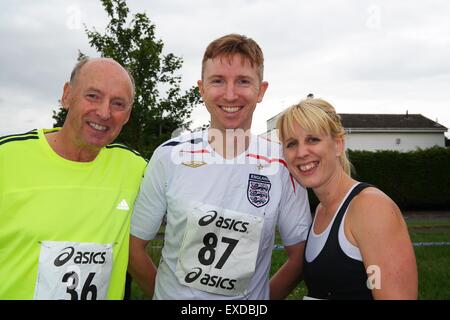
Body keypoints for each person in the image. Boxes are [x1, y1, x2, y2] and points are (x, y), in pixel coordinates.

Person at [128, 34, 312, 300]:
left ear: (261, 90)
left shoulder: (282, 163)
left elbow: (299, 256)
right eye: (218, 81)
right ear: (201, 88)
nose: (230, 94)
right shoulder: (169, 156)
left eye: (243, 81)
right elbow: (135, 249)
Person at [0, 57, 147, 300]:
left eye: (118, 103)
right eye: (93, 96)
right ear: (67, 95)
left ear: (128, 114)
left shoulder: (135, 168)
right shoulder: (6, 158)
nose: (104, 112)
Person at [277, 98, 418, 299]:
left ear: (338, 144)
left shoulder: (370, 207)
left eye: (313, 140)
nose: (301, 152)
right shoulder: (320, 211)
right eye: (292, 144)